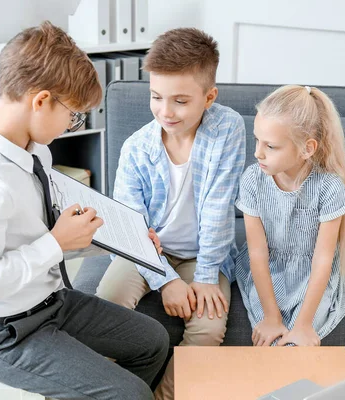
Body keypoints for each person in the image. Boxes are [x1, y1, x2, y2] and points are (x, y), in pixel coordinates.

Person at [0, 21, 168, 399]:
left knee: (152, 340)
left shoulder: (35, 152)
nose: (71, 125)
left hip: (51, 303)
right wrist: (55, 245)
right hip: (1, 334)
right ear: (41, 100)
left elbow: (51, 231)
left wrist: (122, 240)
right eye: (73, 115)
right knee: (129, 394)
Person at [95, 27, 246, 399]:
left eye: (180, 101)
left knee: (209, 328)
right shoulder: (136, 149)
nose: (166, 111)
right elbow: (130, 227)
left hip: (203, 255)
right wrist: (165, 280)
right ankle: (112, 392)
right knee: (108, 301)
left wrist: (207, 276)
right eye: (156, 97)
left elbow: (217, 208)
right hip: (147, 250)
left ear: (209, 97)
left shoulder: (228, 129)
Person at [235, 85, 345, 348]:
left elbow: (323, 258)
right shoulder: (251, 180)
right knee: (273, 339)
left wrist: (303, 325)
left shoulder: (329, 188)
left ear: (307, 149)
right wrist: (270, 316)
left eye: (271, 146)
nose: (258, 153)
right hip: (269, 268)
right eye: (256, 140)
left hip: (311, 273)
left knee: (294, 345)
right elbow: (258, 253)